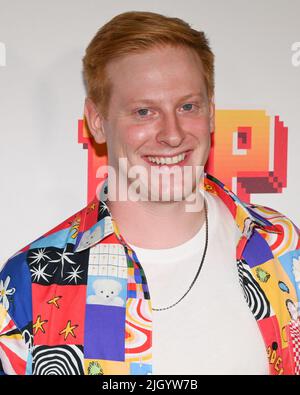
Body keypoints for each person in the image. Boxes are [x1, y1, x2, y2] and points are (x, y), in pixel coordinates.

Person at [0, 10, 299, 376]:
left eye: (187, 106)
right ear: (97, 121)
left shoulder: (279, 244)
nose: (172, 134)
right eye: (144, 111)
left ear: (211, 113)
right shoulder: (33, 280)